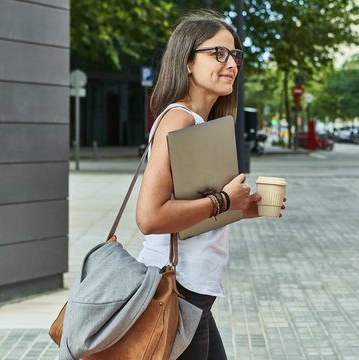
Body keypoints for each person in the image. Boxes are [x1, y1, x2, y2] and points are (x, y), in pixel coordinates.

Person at [135, 11, 285, 360]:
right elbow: (150, 217)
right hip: (175, 291)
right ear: (187, 61)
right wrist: (222, 200)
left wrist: (238, 209)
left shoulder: (201, 122)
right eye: (218, 53)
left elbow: (186, 213)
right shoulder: (180, 118)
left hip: (192, 296)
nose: (231, 62)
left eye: (235, 55)